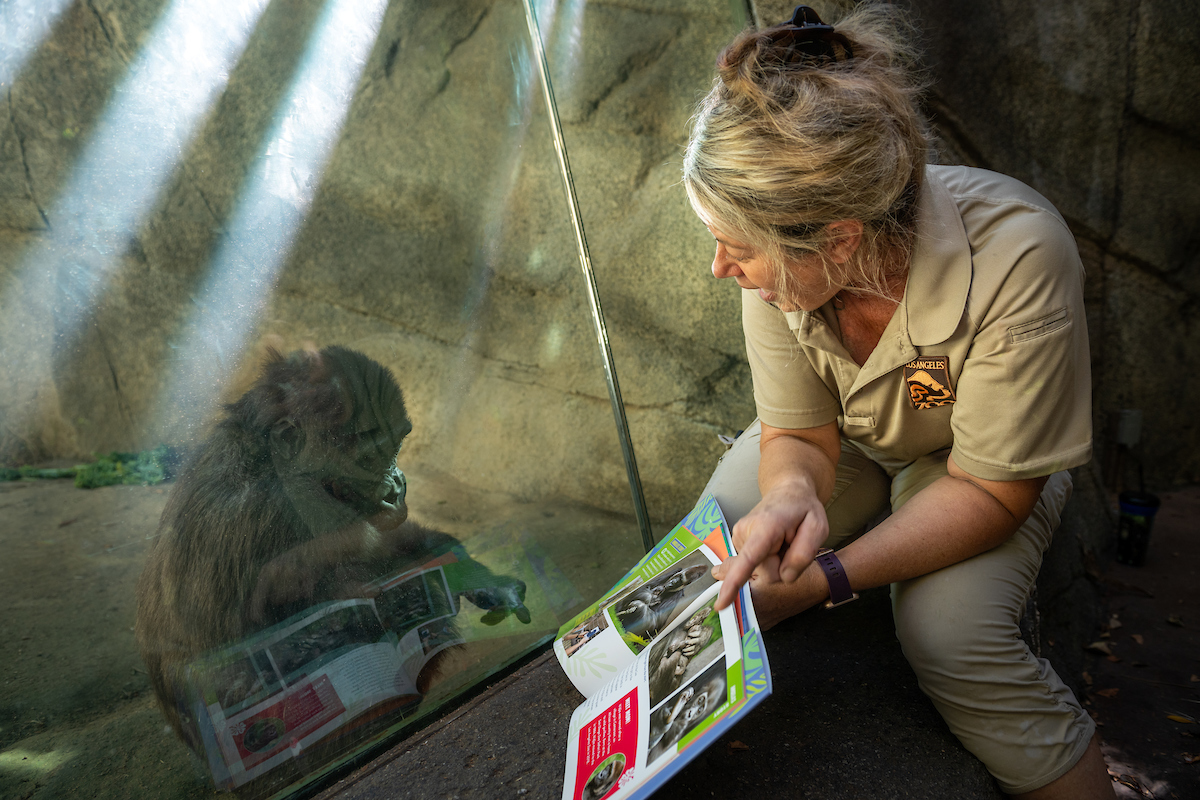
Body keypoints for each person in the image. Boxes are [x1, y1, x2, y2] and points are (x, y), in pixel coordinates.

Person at [683, 5, 1114, 799]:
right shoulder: (781, 251)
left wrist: (826, 579)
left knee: (952, 639)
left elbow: (992, 489)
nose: (720, 269)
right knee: (711, 560)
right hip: (846, 441)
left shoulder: (1019, 253)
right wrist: (789, 492)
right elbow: (797, 428)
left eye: (736, 249)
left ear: (840, 239)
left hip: (977, 465)